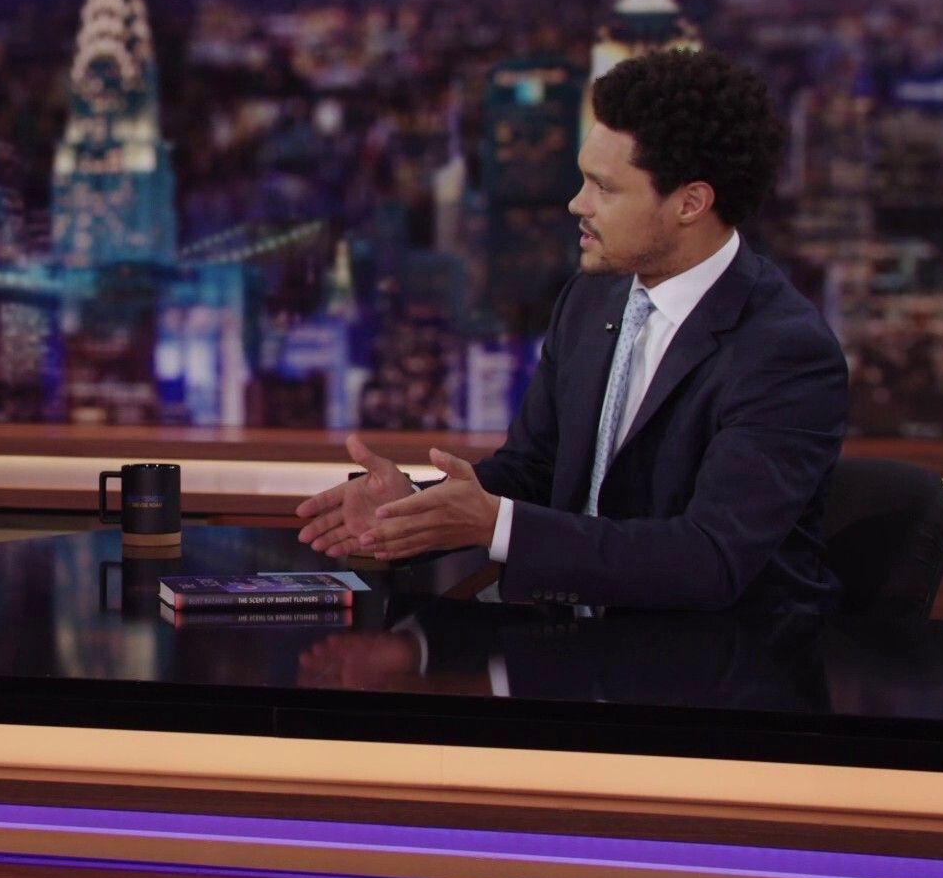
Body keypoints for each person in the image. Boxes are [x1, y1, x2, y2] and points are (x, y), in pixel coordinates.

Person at [297, 49, 848, 611]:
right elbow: (534, 471)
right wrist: (411, 509)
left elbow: (709, 559)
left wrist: (496, 525)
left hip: (714, 654)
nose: (576, 203)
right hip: (564, 633)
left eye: (604, 188)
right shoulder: (591, 299)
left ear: (690, 203)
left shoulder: (784, 351)